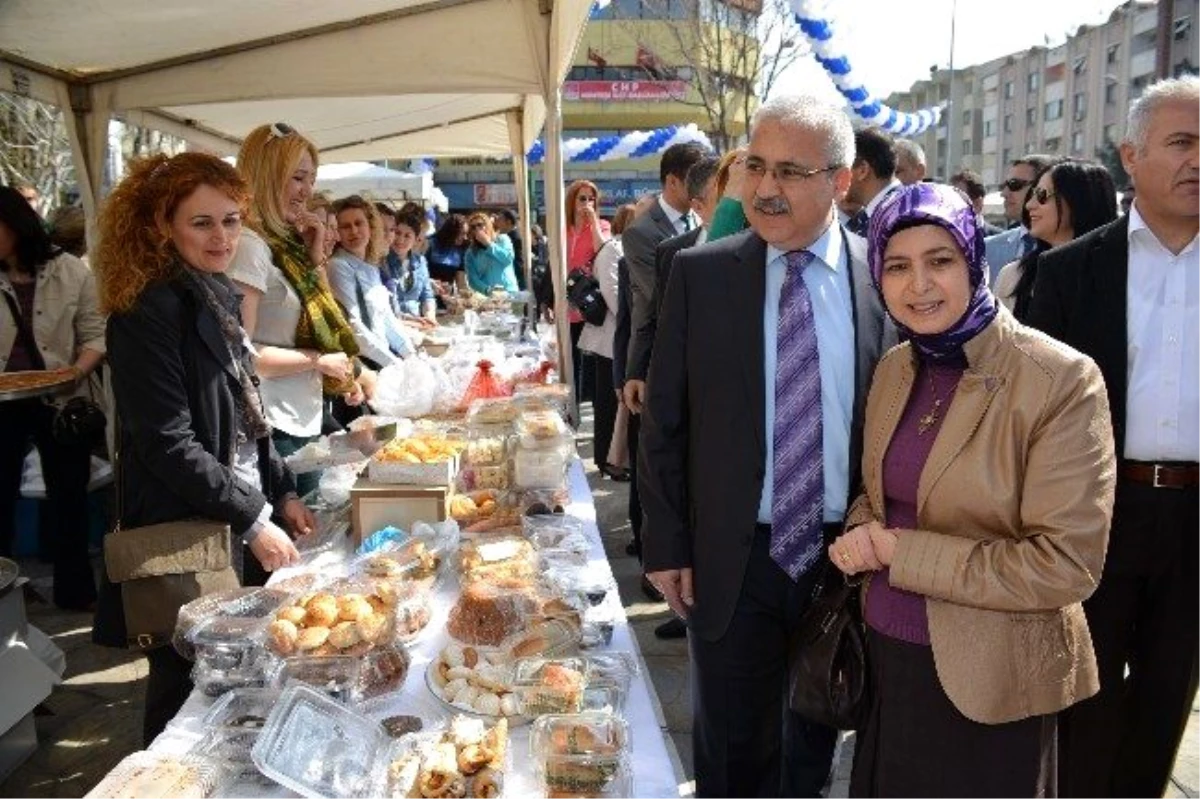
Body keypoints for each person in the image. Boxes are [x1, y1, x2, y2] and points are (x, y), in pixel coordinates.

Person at [828, 182, 1115, 798]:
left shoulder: (1059, 380)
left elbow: (1063, 566)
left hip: (991, 680)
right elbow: (880, 496)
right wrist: (859, 530)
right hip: (887, 662)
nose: (919, 285)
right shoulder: (897, 366)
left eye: (941, 261)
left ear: (974, 260)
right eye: (898, 266)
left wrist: (896, 552)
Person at [640, 95, 890, 799]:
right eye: (755, 166)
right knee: (729, 748)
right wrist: (666, 543)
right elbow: (665, 421)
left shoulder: (884, 279)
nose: (764, 188)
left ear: (840, 181)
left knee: (814, 744)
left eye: (789, 170)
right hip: (733, 555)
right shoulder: (702, 273)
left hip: (843, 556)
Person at [92, 152, 313, 744]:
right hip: (187, 534)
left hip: (232, 517)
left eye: (232, 220)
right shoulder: (146, 310)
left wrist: (282, 489)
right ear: (163, 225)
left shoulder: (212, 292)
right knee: (183, 699)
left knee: (233, 684)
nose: (222, 237)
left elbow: (249, 414)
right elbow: (168, 442)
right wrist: (254, 515)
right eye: (202, 223)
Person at [1028, 74, 1200, 799]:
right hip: (1098, 517)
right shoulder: (1071, 270)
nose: (1198, 160)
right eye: (1182, 143)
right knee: (1083, 701)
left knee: (1167, 701)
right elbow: (1037, 413)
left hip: (1195, 523)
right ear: (1132, 154)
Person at [228, 124, 362, 498]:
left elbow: (322, 313)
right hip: (274, 424)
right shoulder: (252, 247)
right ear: (267, 177)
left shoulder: (285, 246)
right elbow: (241, 356)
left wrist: (315, 255)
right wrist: (318, 361)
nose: (307, 191)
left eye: (311, 179)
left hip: (301, 416)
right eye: (298, 178)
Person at [0, 186, 105, 611]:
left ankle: (76, 592)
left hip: (64, 398)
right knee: (0, 497)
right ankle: (8, 593)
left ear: (16, 223)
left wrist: (76, 371)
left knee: (70, 496)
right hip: (3, 403)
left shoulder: (69, 270)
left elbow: (96, 332)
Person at [622, 143, 706, 414]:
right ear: (672, 181)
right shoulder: (641, 233)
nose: (704, 186)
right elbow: (660, 296)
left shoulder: (702, 218)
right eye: (696, 179)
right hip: (660, 354)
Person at [993, 159, 1118, 320]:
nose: (1029, 205)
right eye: (1032, 194)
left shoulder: (1121, 274)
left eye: (1041, 195)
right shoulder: (1014, 276)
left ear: (1078, 201)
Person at [613, 193, 658, 565]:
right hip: (641, 374)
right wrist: (624, 374)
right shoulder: (635, 253)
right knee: (641, 468)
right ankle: (644, 545)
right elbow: (630, 322)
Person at [328, 194, 414, 371]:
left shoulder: (371, 267)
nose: (353, 231)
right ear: (337, 232)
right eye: (345, 226)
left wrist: (411, 357)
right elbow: (354, 328)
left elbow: (387, 319)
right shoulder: (338, 266)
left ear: (370, 226)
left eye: (358, 223)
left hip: (381, 361)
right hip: (365, 365)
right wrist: (396, 364)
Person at [579, 203, 630, 487]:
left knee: (613, 403)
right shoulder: (614, 249)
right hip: (609, 342)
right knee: (607, 404)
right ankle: (605, 460)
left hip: (617, 341)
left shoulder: (622, 249)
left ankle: (612, 459)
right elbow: (614, 297)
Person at [565, 180, 612, 404]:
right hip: (567, 304)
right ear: (572, 201)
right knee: (570, 361)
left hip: (590, 303)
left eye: (591, 199)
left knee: (591, 364)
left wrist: (593, 223)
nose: (587, 203)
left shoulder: (601, 225)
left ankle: (590, 405)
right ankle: (572, 408)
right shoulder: (563, 229)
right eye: (582, 198)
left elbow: (604, 250)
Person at [984, 154, 1057, 285]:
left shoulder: (1071, 249)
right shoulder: (986, 249)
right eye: (1004, 185)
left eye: (1014, 185)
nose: (1004, 193)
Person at [843, 127, 901, 237]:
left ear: (862, 170)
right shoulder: (891, 209)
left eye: (842, 170)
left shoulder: (898, 217)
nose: (837, 179)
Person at [386, 208, 437, 323]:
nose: (400, 239)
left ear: (415, 239)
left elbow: (427, 296)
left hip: (417, 324)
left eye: (407, 236)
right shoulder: (382, 261)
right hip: (394, 323)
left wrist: (430, 316)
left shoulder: (421, 261)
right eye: (397, 233)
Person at [463, 211, 518, 294]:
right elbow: (472, 279)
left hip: (509, 293)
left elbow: (508, 259)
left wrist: (489, 244)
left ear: (487, 225)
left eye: (480, 225)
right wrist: (487, 290)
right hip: (488, 297)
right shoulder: (471, 253)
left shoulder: (502, 239)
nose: (477, 229)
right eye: (473, 227)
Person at [949, 169, 1003, 236]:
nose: (951, 205)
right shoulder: (945, 237)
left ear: (978, 204)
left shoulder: (1000, 239)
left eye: (958, 200)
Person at [426, 213, 470, 293]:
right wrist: (430, 283)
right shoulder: (430, 243)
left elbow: (461, 282)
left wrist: (468, 299)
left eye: (466, 234)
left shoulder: (461, 249)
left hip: (447, 297)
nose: (465, 237)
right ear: (452, 231)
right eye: (462, 233)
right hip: (427, 295)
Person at [493, 208, 525, 290]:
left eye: (500, 219)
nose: (497, 222)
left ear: (508, 222)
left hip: (514, 279)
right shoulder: (507, 235)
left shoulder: (514, 238)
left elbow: (517, 262)